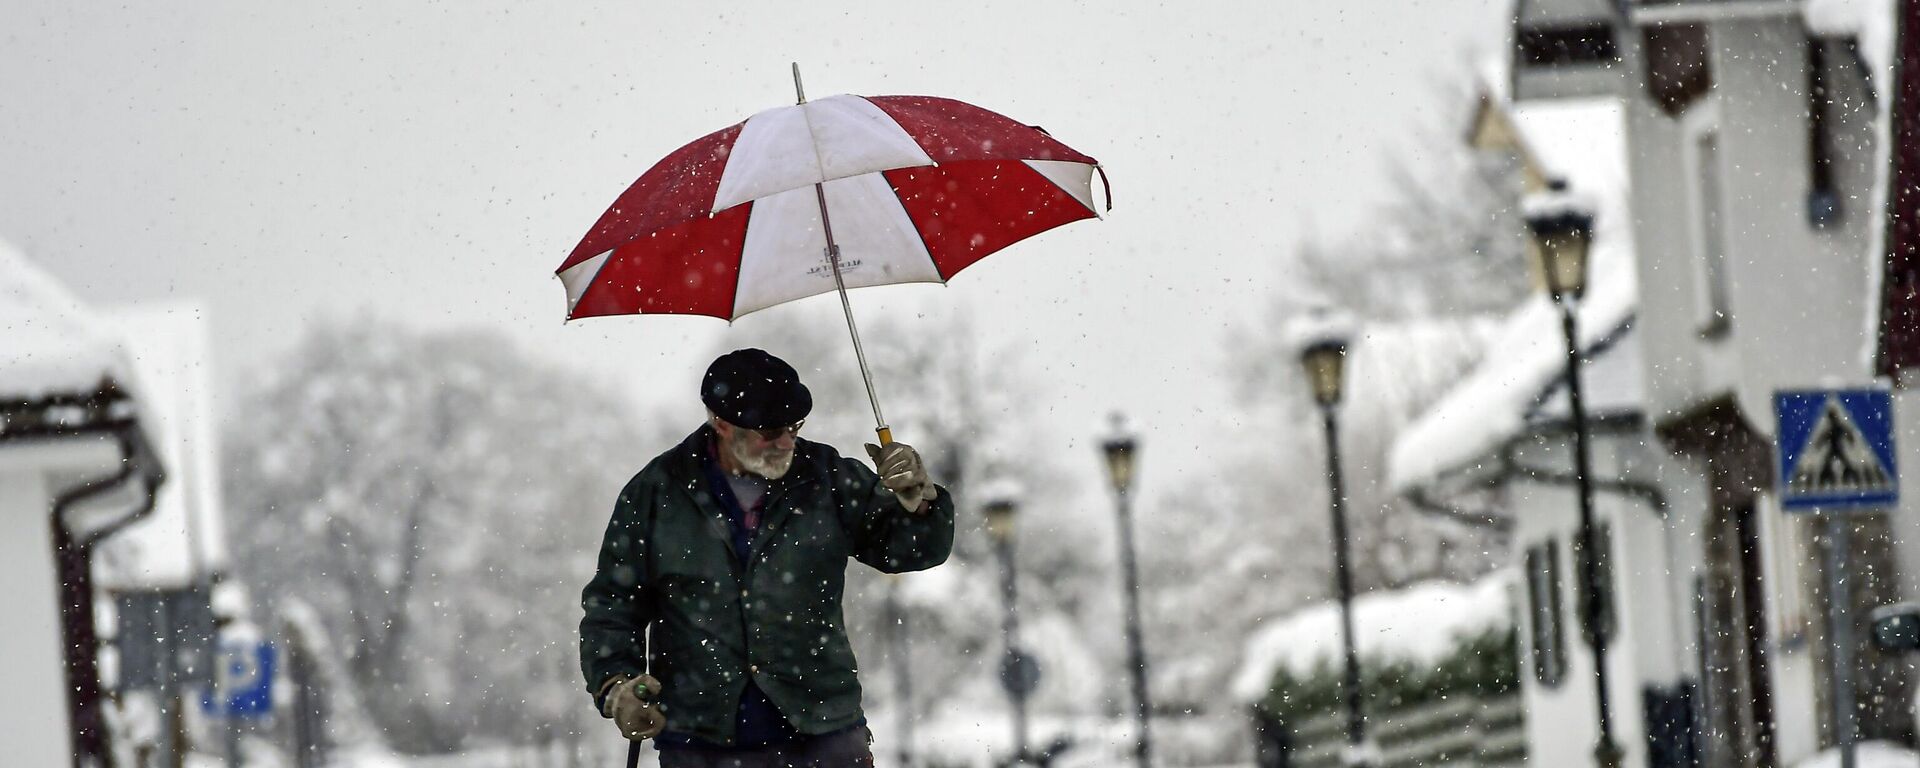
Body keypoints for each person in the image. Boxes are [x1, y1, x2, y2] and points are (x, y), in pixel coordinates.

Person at [580, 348, 956, 767]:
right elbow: (612, 607)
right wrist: (617, 685)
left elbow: (914, 549)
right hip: (700, 741)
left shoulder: (829, 477)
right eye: (770, 430)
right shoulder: (655, 493)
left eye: (793, 427)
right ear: (720, 423)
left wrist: (919, 501)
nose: (786, 441)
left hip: (824, 732)